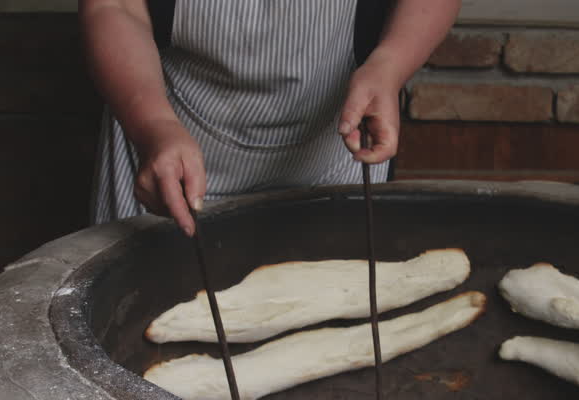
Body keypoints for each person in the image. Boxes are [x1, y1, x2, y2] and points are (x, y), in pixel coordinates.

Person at [80, 0, 462, 235]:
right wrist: (153, 126)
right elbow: (115, 6)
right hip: (165, 133)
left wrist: (390, 64)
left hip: (335, 147)